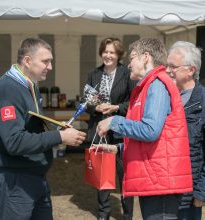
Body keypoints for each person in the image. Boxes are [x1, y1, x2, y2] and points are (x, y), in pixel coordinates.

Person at [0, 37, 86, 220]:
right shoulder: (7, 90)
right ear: (27, 61)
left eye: (51, 61)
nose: (50, 67)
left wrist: (57, 130)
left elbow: (31, 124)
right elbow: (14, 141)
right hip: (15, 180)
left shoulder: (28, 85)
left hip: (34, 175)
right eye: (45, 61)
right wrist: (59, 137)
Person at [96, 38, 193, 220]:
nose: (129, 63)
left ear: (146, 57)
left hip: (160, 182)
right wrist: (118, 148)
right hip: (155, 178)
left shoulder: (157, 85)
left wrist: (115, 121)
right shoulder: (149, 85)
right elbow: (159, 139)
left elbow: (150, 130)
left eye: (133, 58)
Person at [85, 37, 135, 220]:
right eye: (105, 51)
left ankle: (127, 215)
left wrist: (115, 108)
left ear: (118, 54)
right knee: (102, 177)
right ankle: (103, 214)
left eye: (112, 52)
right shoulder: (94, 74)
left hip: (120, 131)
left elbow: (133, 102)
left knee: (124, 177)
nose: (108, 55)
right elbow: (87, 101)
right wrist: (95, 107)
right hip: (99, 131)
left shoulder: (127, 73)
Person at [166, 41, 205, 220]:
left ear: (191, 70)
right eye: (167, 65)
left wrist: (201, 192)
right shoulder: (164, 96)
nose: (167, 70)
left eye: (173, 66)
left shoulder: (202, 101)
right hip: (164, 189)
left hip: (189, 195)